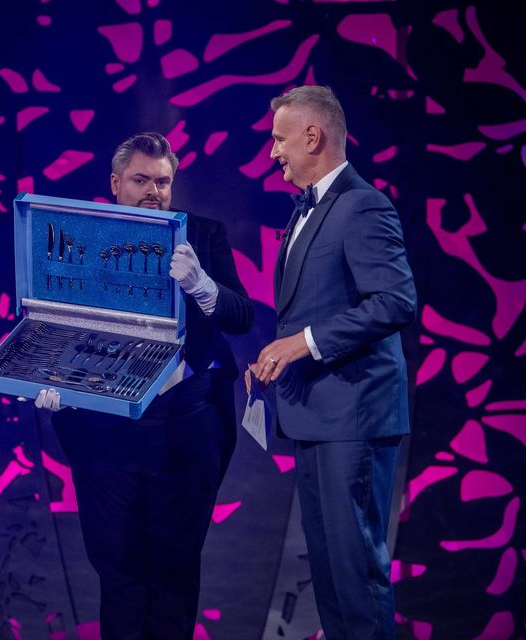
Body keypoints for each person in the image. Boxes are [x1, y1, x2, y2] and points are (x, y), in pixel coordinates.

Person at [41, 132, 253, 639]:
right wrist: (53, 383)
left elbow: (242, 315)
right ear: (116, 183)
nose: (152, 190)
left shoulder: (204, 234)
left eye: (162, 181)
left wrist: (202, 286)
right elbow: (52, 315)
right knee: (119, 572)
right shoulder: (79, 235)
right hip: (106, 432)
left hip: (185, 427)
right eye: (140, 180)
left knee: (176, 573)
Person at [250, 86, 416, 638]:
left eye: (279, 138)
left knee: (355, 575)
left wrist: (304, 342)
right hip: (317, 417)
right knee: (329, 577)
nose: (274, 151)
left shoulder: (363, 203)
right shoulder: (309, 207)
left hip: (355, 417)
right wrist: (280, 353)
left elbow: (395, 300)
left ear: (312, 136)